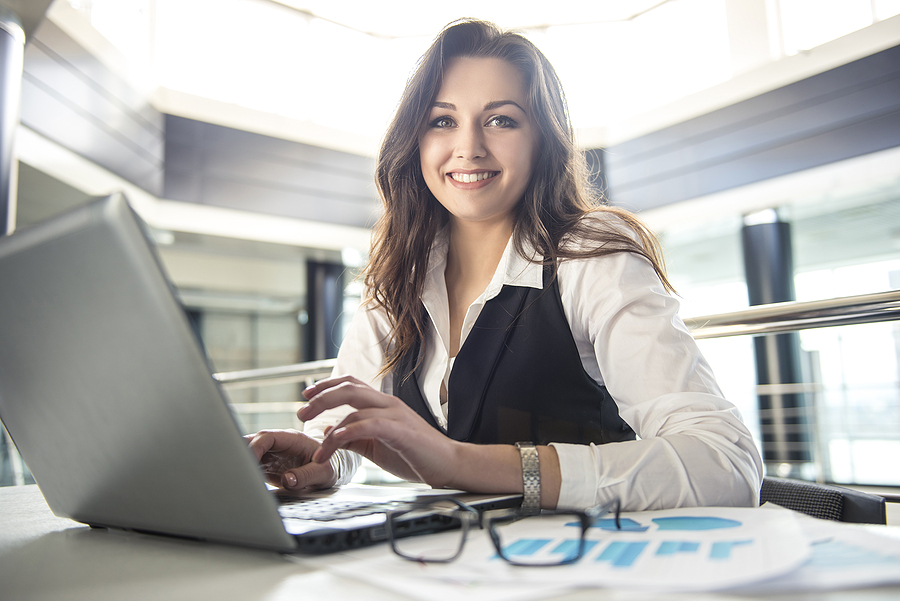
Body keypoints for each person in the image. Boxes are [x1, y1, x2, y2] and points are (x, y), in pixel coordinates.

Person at [247, 18, 762, 511]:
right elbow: (342, 429)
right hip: (458, 565)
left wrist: (458, 464)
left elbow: (725, 461)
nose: (468, 147)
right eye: (443, 120)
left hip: (590, 564)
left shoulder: (590, 254)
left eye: (501, 120)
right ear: (416, 140)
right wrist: (319, 459)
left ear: (543, 140)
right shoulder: (400, 271)